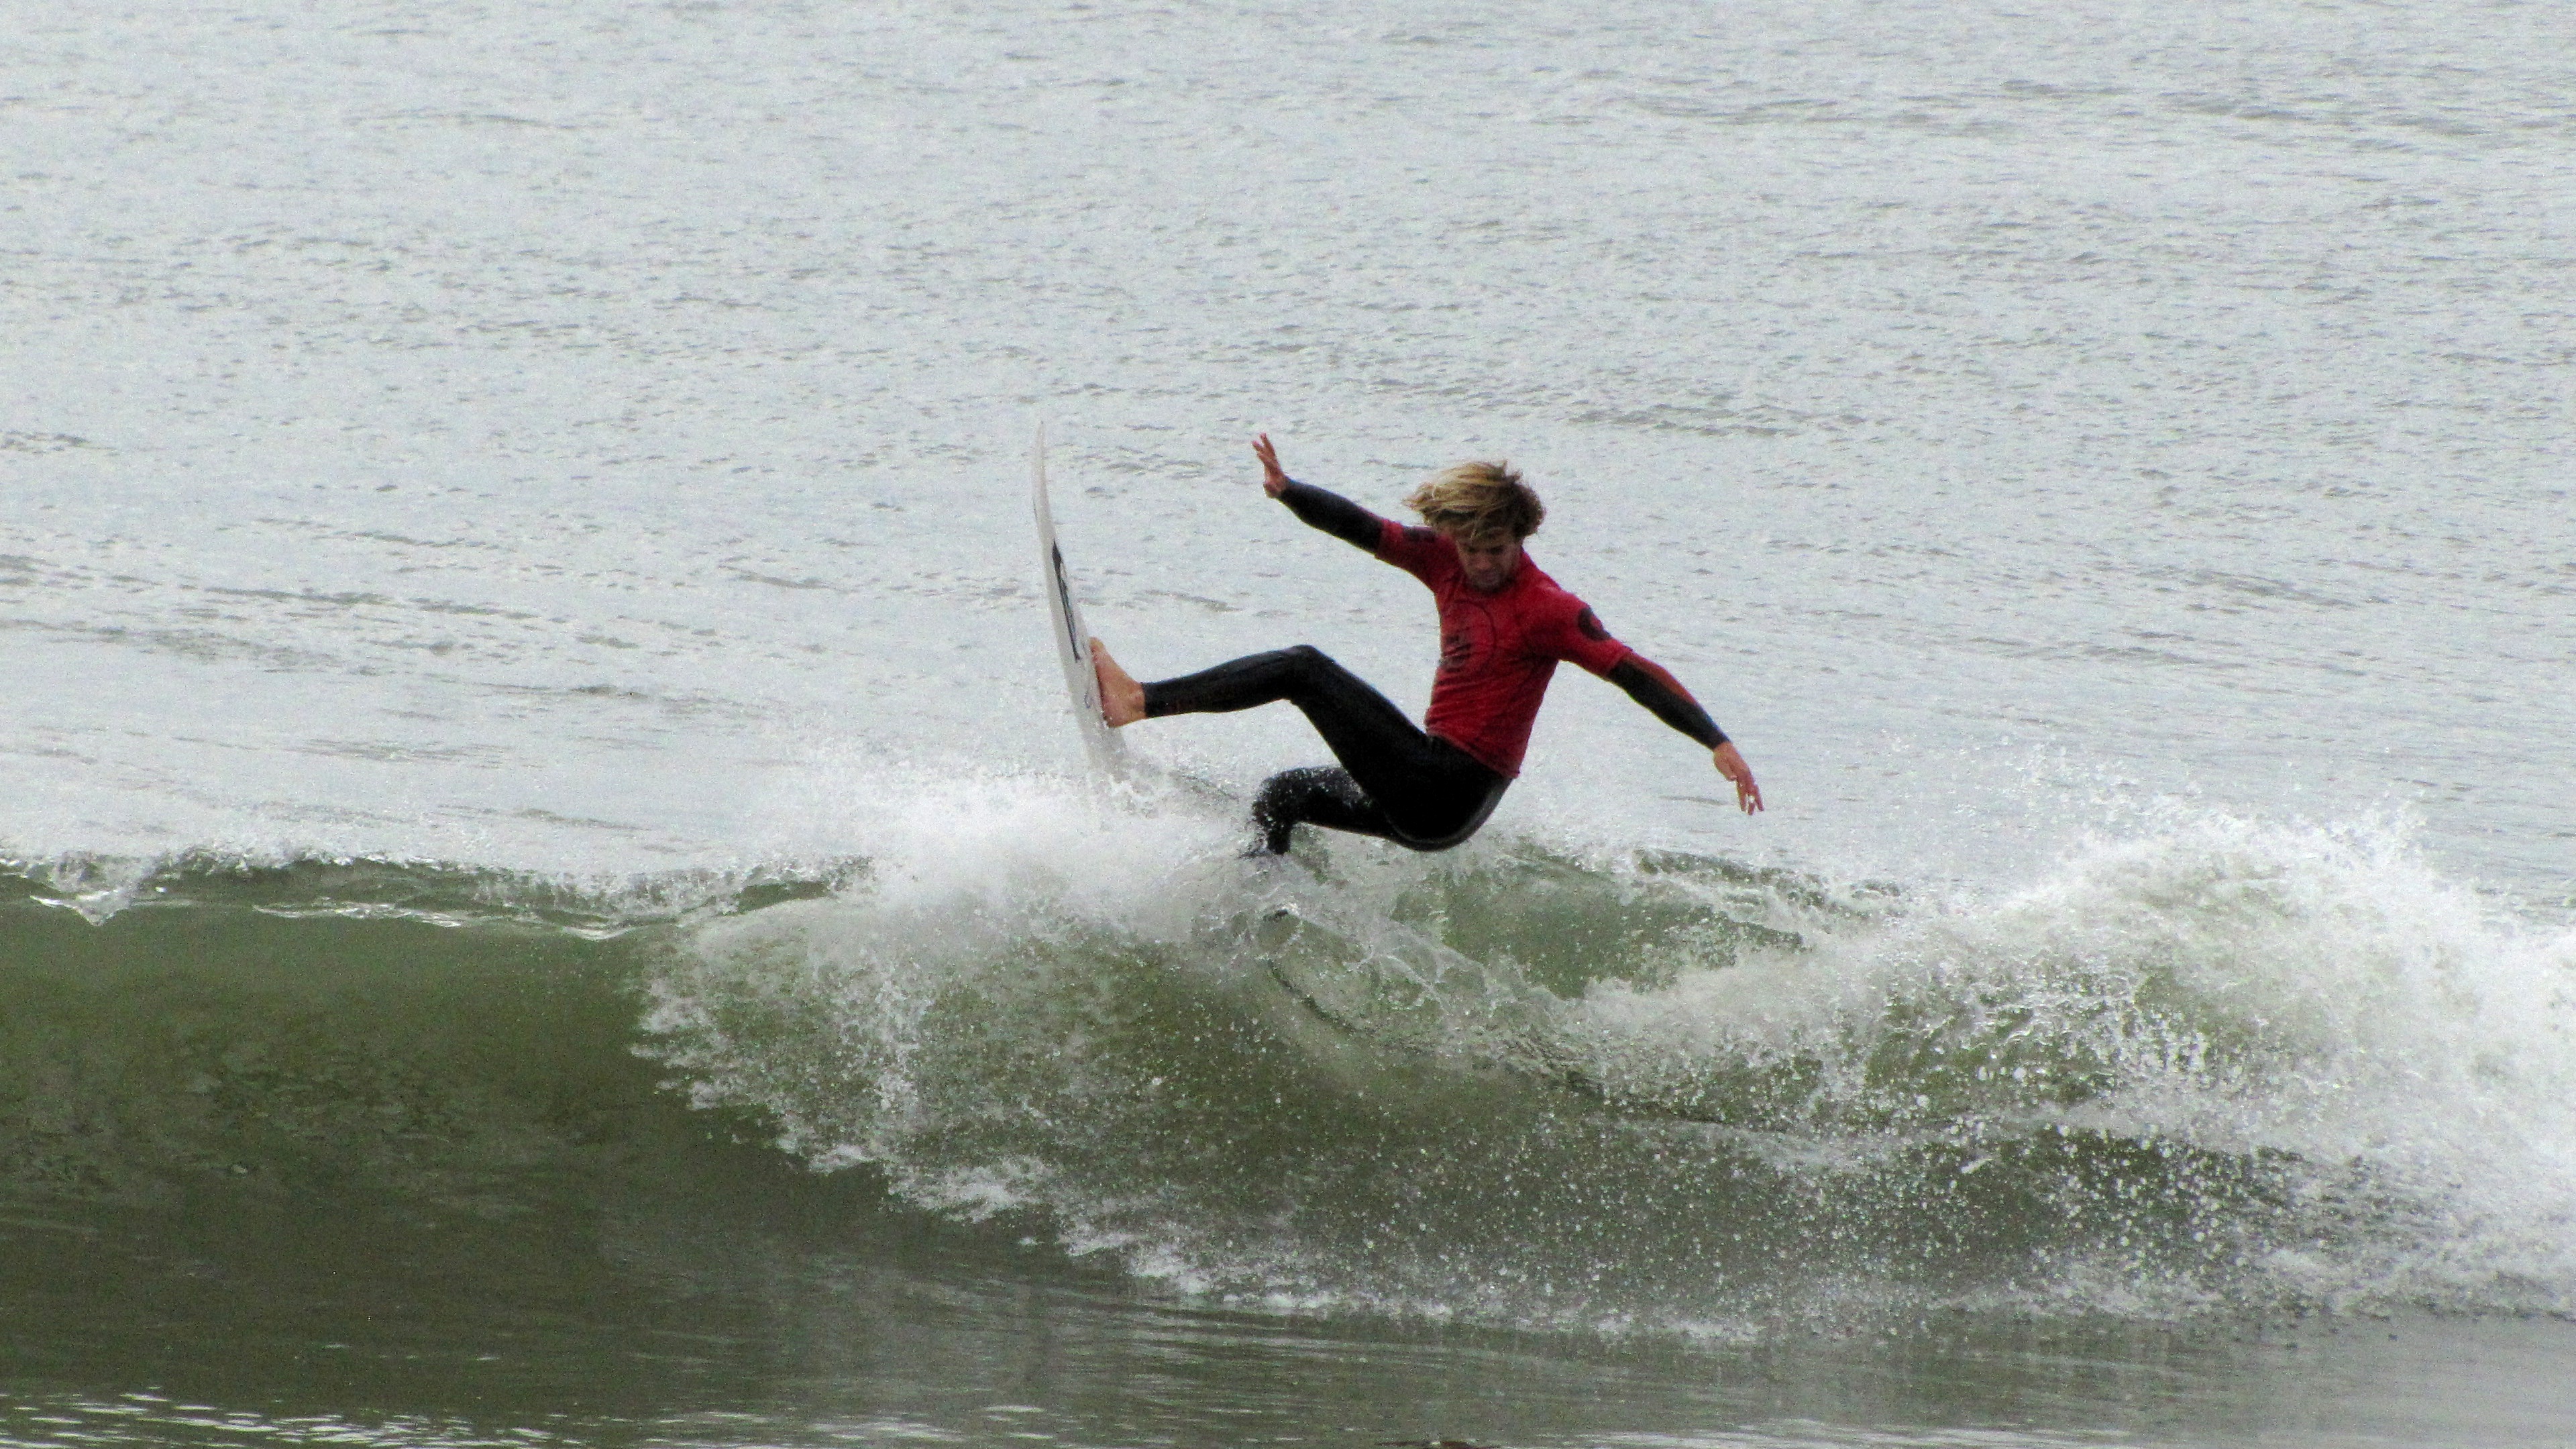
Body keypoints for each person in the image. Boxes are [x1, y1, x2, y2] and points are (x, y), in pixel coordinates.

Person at [1091, 435, 1761, 856]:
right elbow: (1366, 528)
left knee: (1303, 670)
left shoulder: (1548, 610)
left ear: (1521, 536)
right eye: (1470, 548)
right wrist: (1289, 492)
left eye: (1495, 550)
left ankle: (1138, 701)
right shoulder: (1443, 560)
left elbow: (1635, 672)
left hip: (1449, 789)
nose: (1481, 565)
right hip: (1419, 791)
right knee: (1283, 795)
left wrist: (1716, 741)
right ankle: (1260, 902)